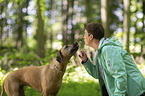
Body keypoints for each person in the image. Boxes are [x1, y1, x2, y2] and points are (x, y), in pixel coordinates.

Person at [78, 22, 145, 96]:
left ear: (91, 37)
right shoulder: (98, 53)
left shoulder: (108, 50)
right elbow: (98, 74)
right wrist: (86, 61)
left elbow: (120, 76)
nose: (84, 37)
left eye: (85, 34)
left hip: (135, 92)